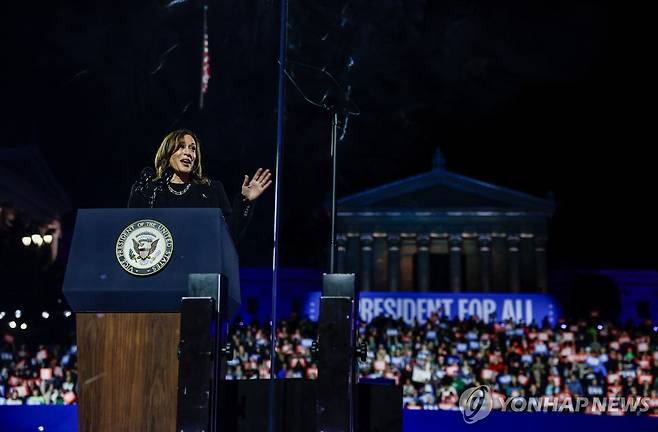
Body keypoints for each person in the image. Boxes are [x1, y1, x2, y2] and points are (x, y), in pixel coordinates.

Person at [128, 129, 271, 242]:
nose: (188, 153)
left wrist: (246, 202)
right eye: (181, 147)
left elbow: (229, 236)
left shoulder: (211, 189)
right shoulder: (149, 190)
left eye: (192, 148)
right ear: (167, 153)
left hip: (200, 271)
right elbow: (131, 232)